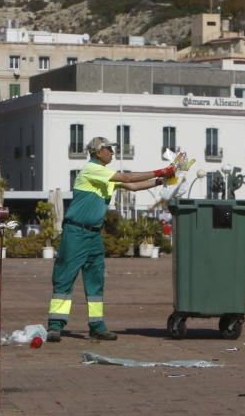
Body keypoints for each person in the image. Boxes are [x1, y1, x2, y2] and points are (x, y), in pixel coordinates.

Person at [46, 137, 175, 342]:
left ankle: (97, 325)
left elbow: (133, 187)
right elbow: (127, 179)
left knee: (95, 280)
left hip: (94, 233)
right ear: (98, 152)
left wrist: (160, 181)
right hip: (76, 232)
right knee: (65, 277)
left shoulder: (104, 175)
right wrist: (160, 171)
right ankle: (55, 325)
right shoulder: (92, 169)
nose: (112, 153)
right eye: (109, 149)